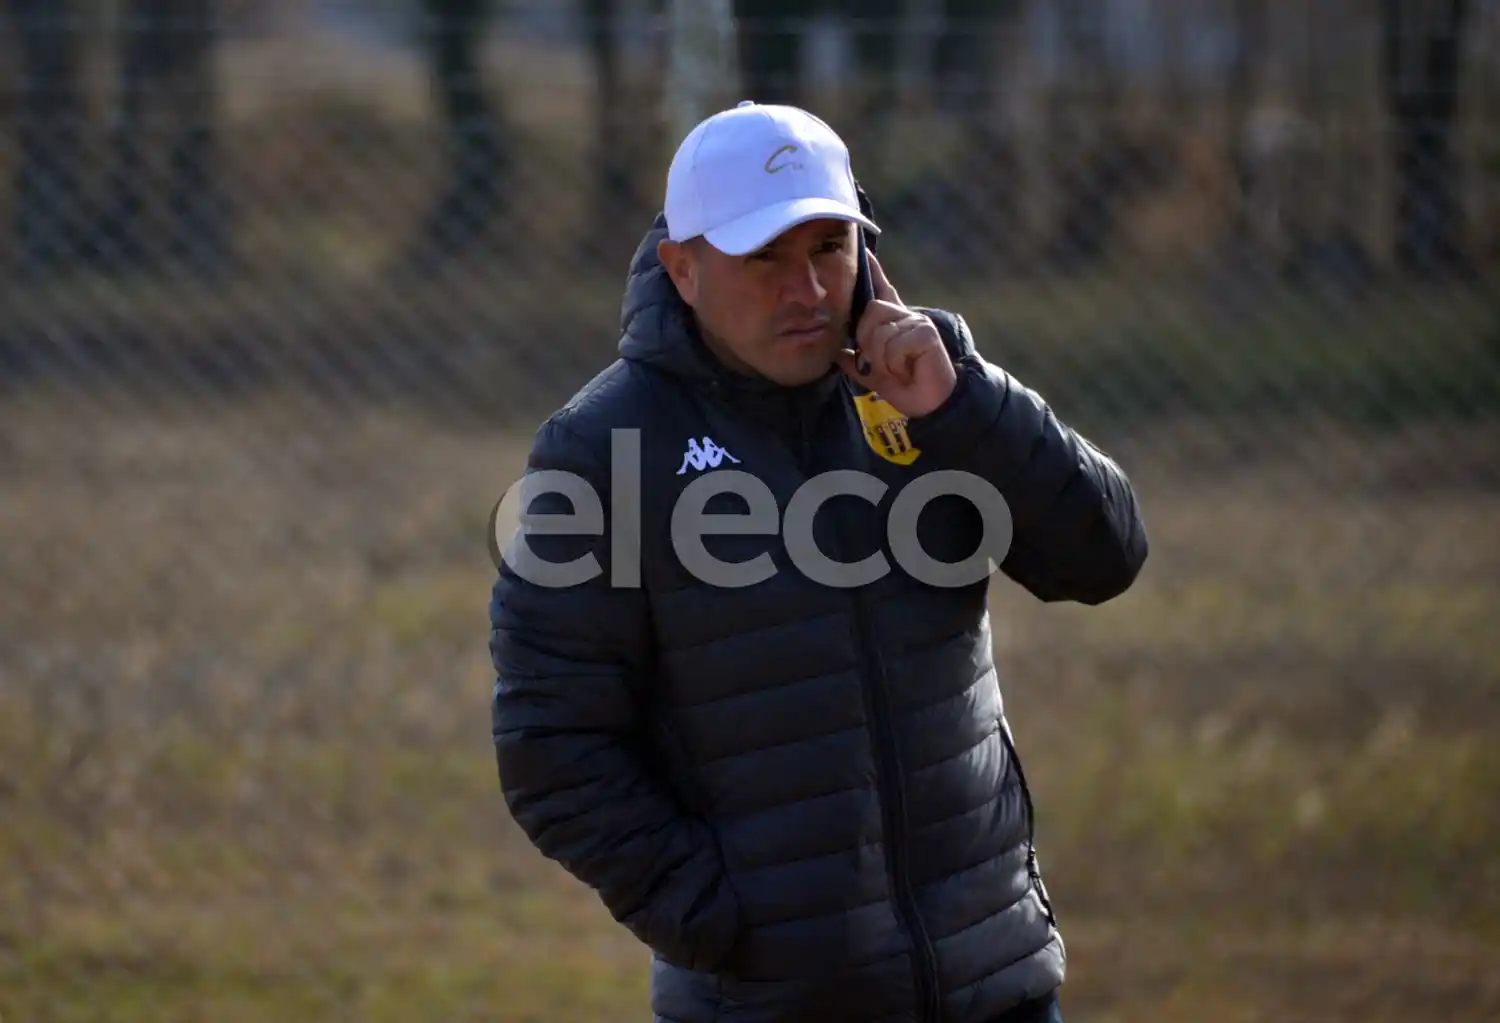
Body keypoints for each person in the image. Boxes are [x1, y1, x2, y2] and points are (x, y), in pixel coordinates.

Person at [488, 101, 1147, 1023]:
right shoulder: (602, 452)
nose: (805, 290)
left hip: (995, 981)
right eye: (764, 258)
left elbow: (1104, 556)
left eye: (829, 248)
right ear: (683, 267)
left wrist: (962, 406)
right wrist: (723, 922)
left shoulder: (931, 390)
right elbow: (551, 747)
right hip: (773, 1001)